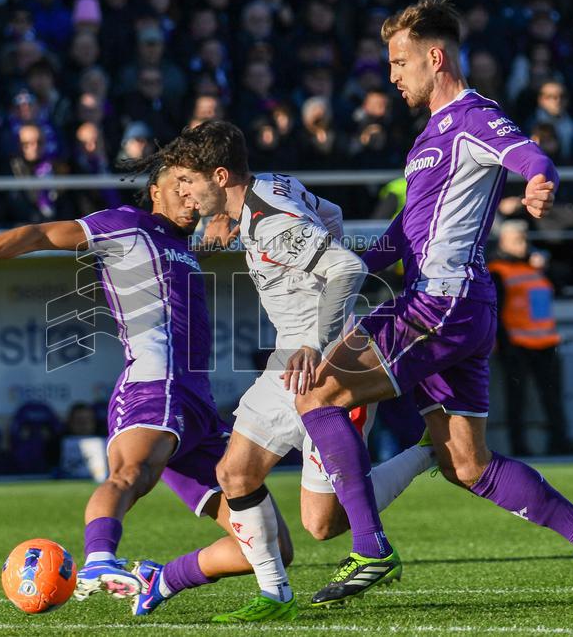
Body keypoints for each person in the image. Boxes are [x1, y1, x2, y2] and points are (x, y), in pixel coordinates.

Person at [284, 0, 573, 611]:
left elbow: (528, 155)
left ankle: (370, 547)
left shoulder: (472, 116)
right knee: (466, 464)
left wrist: (540, 181)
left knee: (315, 394)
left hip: (437, 306)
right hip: (456, 308)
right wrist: (343, 264)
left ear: (435, 57)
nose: (392, 75)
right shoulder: (428, 137)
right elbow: (402, 234)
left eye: (399, 61)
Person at [0, 164, 290, 613]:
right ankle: (98, 559)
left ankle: (160, 577)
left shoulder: (179, 245)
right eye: (177, 187)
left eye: (193, 189)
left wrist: (208, 241)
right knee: (131, 475)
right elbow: (37, 235)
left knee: (272, 547)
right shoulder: (124, 224)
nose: (189, 198)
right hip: (153, 383)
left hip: (198, 406)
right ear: (154, 192)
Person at [151, 120, 435, 622]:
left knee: (322, 525)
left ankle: (428, 453)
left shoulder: (272, 224)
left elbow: (346, 267)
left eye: (190, 182)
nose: (187, 195)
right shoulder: (272, 186)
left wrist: (314, 337)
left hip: (326, 366)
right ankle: (275, 594)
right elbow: (333, 214)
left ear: (219, 176)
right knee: (234, 473)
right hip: (288, 363)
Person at [489, 220, 569, 456]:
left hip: (546, 342)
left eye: (524, 238)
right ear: (504, 241)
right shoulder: (497, 270)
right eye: (517, 239)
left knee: (552, 398)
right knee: (517, 400)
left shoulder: (536, 266)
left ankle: (559, 444)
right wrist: (503, 343)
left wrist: (546, 268)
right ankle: (519, 447)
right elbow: (497, 310)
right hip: (516, 343)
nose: (523, 244)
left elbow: (561, 286)